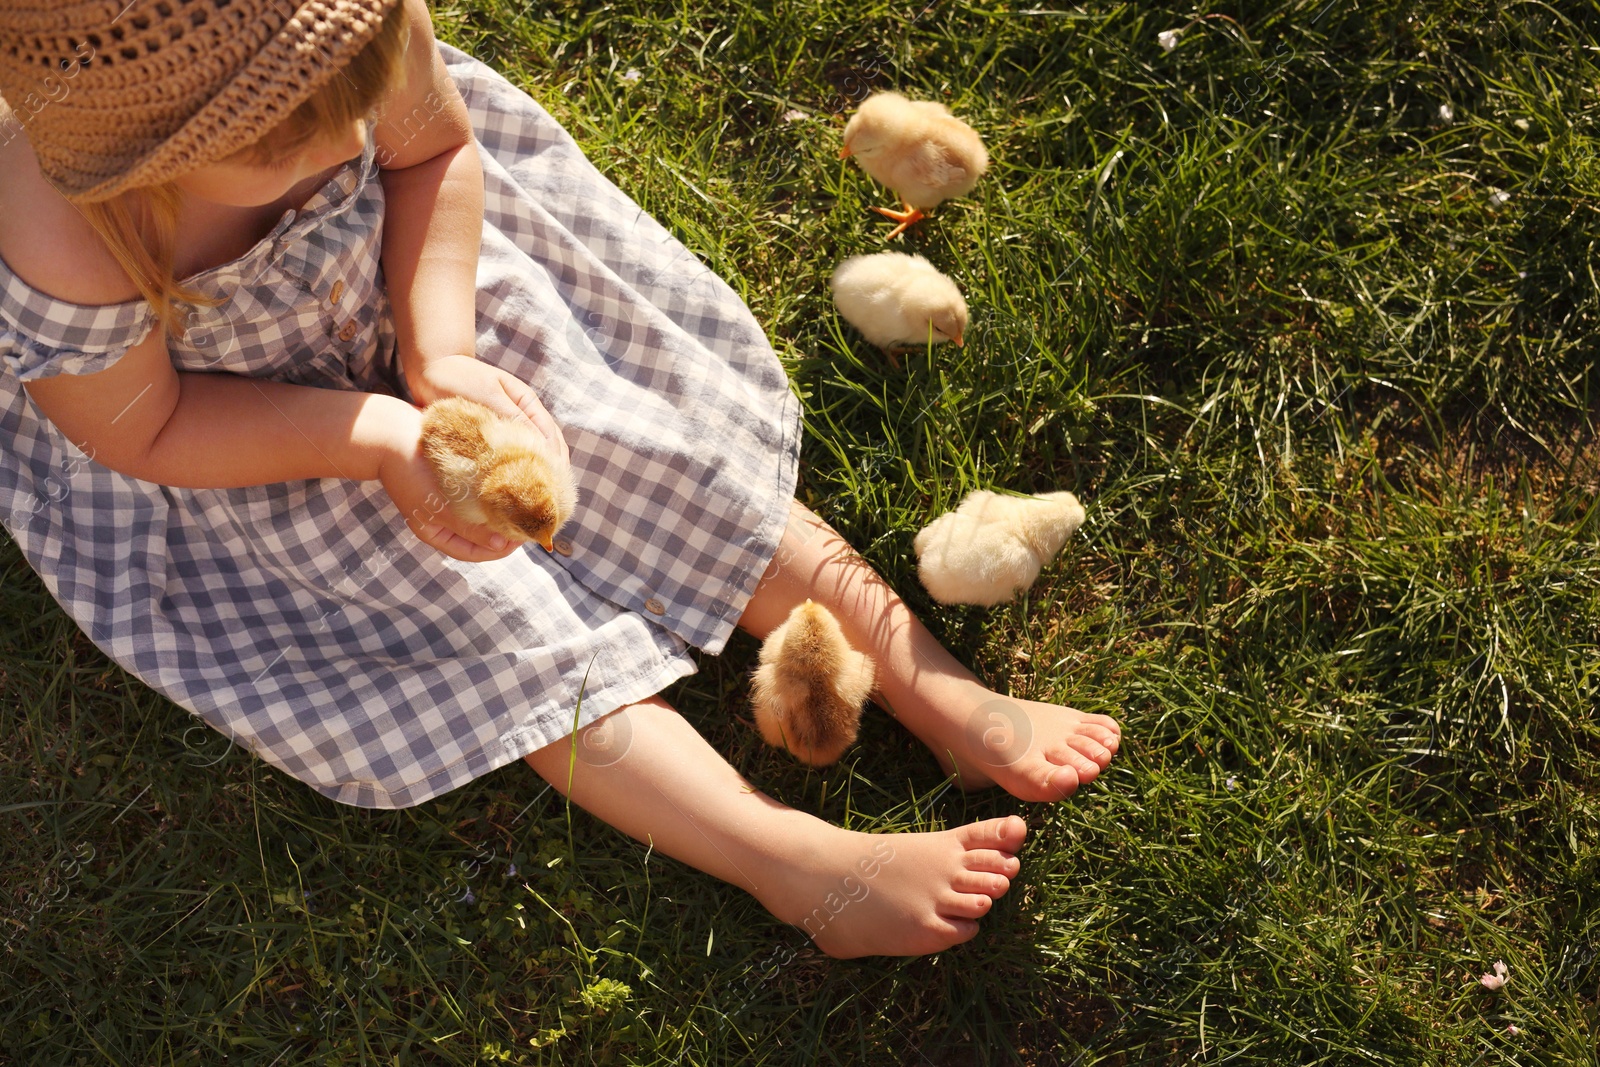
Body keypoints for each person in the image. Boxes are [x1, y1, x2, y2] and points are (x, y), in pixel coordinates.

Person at [0, 0, 1120, 958]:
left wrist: (438, 350)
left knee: (668, 464)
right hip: (255, 427)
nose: (342, 126)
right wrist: (381, 436)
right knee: (490, 630)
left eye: (356, 89)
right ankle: (790, 859)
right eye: (281, 141)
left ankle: (940, 691)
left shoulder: (350, 34)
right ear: (126, 149)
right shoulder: (59, 222)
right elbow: (150, 425)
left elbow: (428, 154)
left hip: (419, 288)